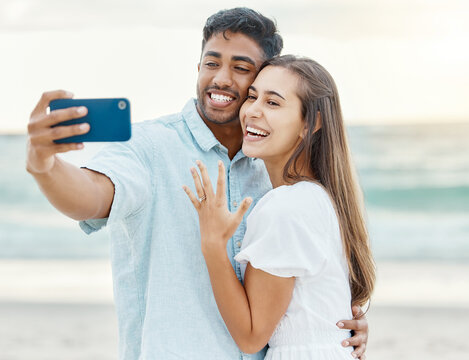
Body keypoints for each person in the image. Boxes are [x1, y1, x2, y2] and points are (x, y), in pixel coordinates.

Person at [26, 8, 369, 360]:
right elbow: (92, 195)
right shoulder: (149, 146)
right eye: (211, 63)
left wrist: (330, 331)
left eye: (240, 68)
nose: (221, 78)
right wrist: (45, 167)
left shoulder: (275, 172)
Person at [183, 55, 375, 359]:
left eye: (273, 103)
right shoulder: (318, 197)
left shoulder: (286, 205)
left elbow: (251, 336)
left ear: (311, 123)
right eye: (252, 97)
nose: (252, 112)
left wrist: (212, 244)